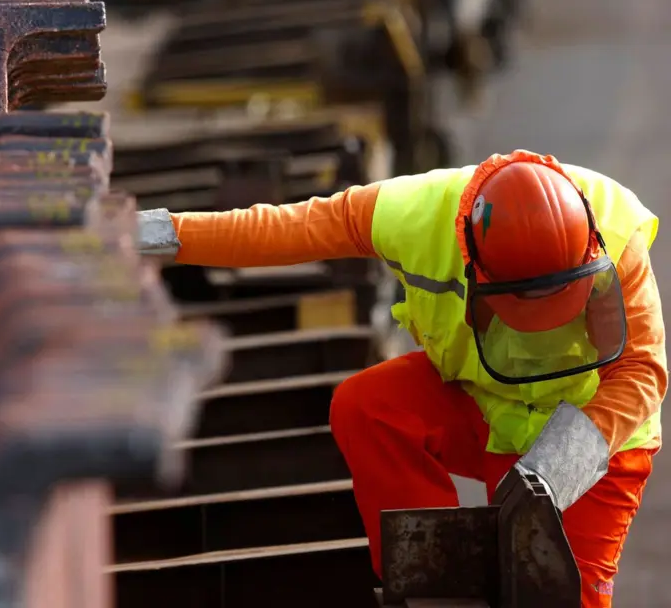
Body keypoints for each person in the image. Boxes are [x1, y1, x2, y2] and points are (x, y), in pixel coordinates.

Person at [137, 151, 664, 608]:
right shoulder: (413, 214)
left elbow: (643, 370)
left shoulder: (616, 234)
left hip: (593, 443)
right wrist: (153, 235)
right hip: (484, 405)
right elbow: (281, 230)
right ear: (475, 266)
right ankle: (436, 575)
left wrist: (557, 468)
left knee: (560, 593)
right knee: (367, 405)